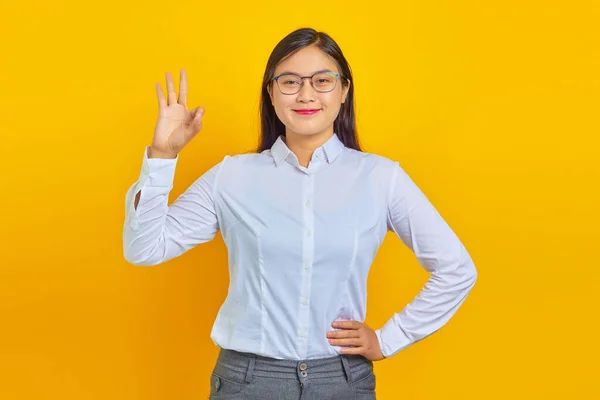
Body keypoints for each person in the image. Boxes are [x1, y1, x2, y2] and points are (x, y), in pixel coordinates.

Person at [122, 27, 477, 400]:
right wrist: (162, 155)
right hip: (248, 381)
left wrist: (389, 339)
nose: (306, 94)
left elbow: (456, 269)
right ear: (271, 93)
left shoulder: (381, 178)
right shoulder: (232, 176)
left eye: (322, 80)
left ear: (344, 91)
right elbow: (145, 249)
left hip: (342, 381)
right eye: (290, 81)